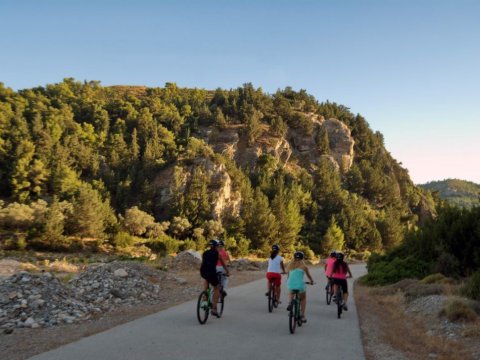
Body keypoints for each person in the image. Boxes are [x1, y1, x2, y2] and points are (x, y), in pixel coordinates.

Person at [200, 240, 229, 317]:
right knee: (217, 288)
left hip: (203, 272)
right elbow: (223, 264)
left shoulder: (204, 253)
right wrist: (227, 271)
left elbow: (204, 263)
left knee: (206, 279)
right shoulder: (217, 254)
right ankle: (213, 308)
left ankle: (205, 296)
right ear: (216, 246)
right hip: (212, 273)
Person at [286, 251, 314, 323]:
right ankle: (302, 315)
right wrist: (311, 281)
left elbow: (288, 277)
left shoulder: (289, 266)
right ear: (302, 258)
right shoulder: (304, 267)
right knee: (303, 298)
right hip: (300, 285)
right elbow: (309, 276)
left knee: (291, 291)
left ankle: (290, 303)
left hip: (290, 284)